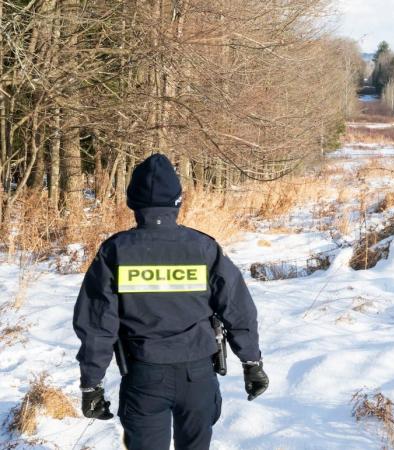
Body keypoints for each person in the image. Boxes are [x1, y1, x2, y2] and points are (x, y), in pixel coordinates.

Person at [73, 154, 269, 450]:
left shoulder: (115, 251)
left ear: (133, 201)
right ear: (178, 200)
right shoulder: (204, 247)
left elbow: (97, 323)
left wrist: (92, 383)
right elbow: (237, 308)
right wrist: (251, 362)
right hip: (198, 377)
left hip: (144, 377)